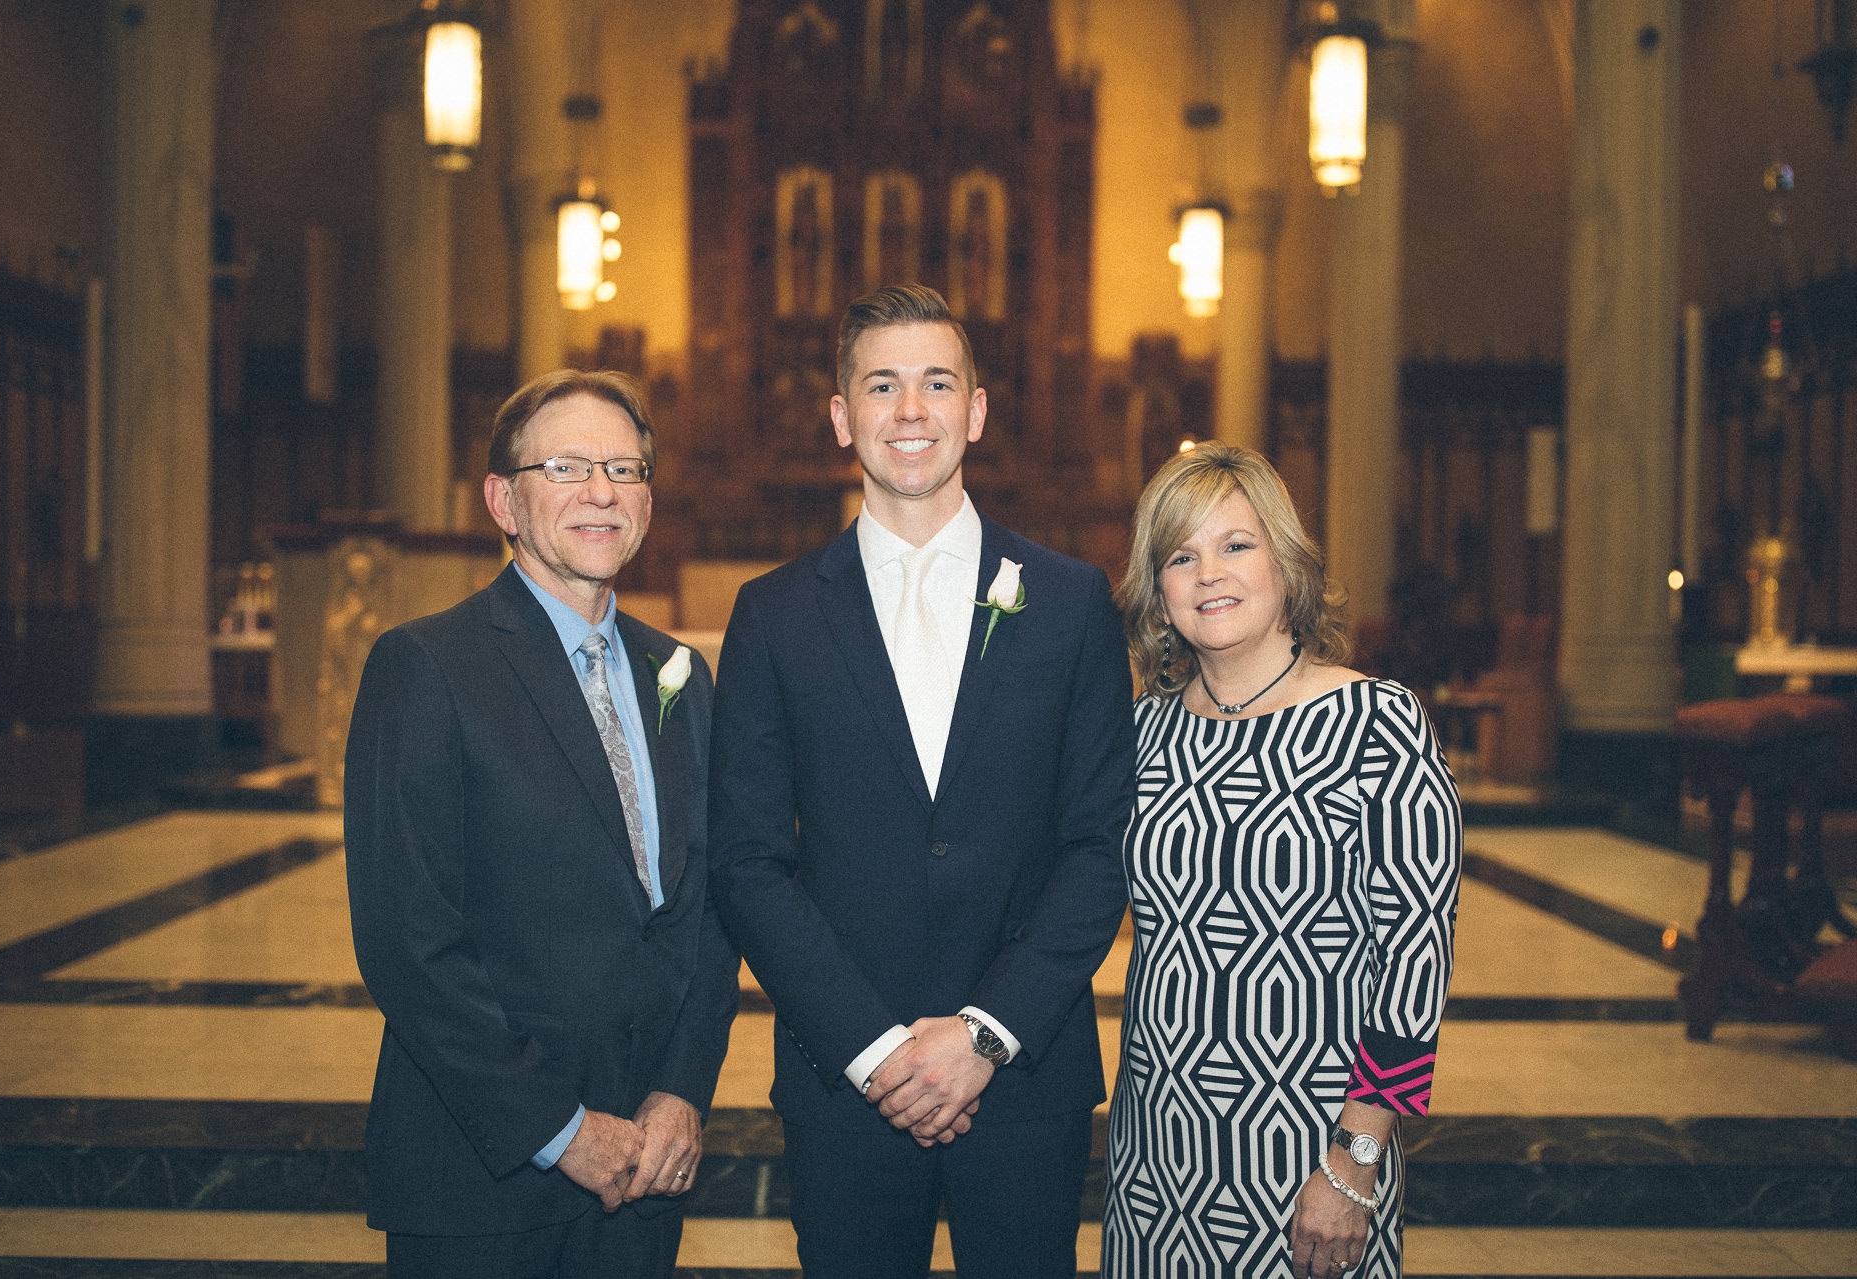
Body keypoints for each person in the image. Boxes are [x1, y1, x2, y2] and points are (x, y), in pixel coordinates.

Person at [709, 285, 1137, 1278]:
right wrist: (873, 1047)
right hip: (845, 1081)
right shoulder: (772, 615)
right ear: (841, 415)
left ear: (976, 410)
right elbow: (747, 860)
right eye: (883, 385)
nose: (911, 412)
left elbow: (1099, 843)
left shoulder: (1069, 601)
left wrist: (985, 1033)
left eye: (937, 383)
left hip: (1025, 1079)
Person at [345, 370, 737, 1278]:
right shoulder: (427, 666)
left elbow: (709, 905)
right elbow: (408, 938)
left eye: (625, 468)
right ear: (503, 500)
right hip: (483, 1169)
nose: (602, 492)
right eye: (566, 466)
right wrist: (557, 1131)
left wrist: (681, 1087)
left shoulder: (679, 673)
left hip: (646, 1163)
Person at [1101, 443, 1461, 1279]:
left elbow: (1415, 958)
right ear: (1159, 591)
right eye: (1180, 556)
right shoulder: (1142, 732)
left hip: (1310, 1144)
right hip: (1158, 1146)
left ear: (1285, 561)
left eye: (1235, 544)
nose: (1208, 574)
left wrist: (1354, 1160)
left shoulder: (1378, 723)